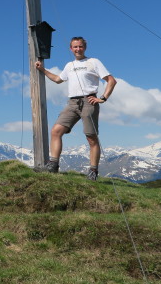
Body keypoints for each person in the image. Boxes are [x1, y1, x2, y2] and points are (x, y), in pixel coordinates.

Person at [34, 36, 117, 181]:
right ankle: (53, 165)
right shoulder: (69, 65)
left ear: (85, 47)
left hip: (89, 101)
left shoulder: (93, 62)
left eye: (80, 46)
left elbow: (111, 80)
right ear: (70, 49)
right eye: (75, 47)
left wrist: (103, 98)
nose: (78, 49)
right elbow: (58, 79)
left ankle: (93, 171)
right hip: (72, 103)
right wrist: (42, 70)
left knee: (91, 138)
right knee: (56, 131)